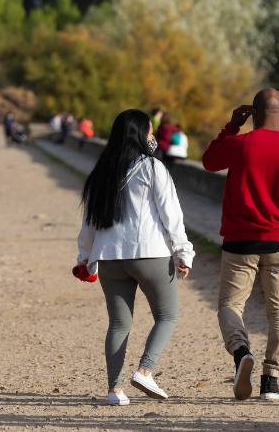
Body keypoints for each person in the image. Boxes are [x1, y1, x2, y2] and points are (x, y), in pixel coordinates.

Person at [202, 88, 279, 401]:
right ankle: (271, 380)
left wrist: (231, 127)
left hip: (239, 243)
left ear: (251, 115)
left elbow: (209, 161)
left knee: (230, 306)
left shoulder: (238, 144)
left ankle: (241, 352)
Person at [77, 109, 194, 406]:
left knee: (118, 324)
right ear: (141, 135)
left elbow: (89, 222)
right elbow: (172, 215)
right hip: (150, 253)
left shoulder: (101, 171)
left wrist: (85, 256)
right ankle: (145, 370)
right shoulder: (153, 168)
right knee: (167, 316)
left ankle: (114, 390)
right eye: (150, 132)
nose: (153, 138)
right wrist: (183, 251)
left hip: (110, 258)